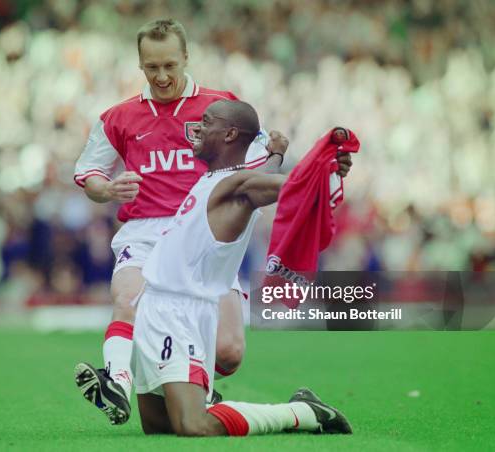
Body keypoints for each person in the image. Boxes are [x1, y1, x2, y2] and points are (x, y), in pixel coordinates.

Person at [73, 18, 352, 424]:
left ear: (186, 57)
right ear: (140, 65)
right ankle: (117, 381)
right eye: (152, 68)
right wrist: (109, 188)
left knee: (229, 354)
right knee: (128, 297)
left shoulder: (221, 109)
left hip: (206, 234)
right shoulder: (118, 117)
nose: (162, 76)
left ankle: (202, 383)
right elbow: (88, 174)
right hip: (148, 229)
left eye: (170, 65)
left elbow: (261, 171)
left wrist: (316, 164)